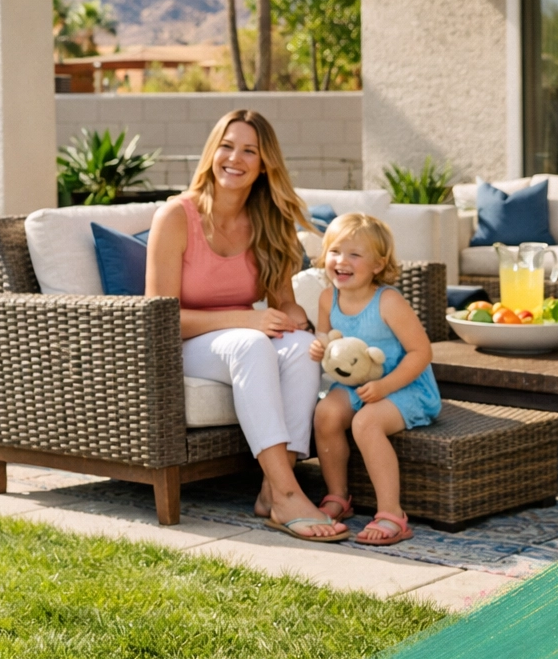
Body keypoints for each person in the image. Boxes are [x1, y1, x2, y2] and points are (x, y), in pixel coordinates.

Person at [146, 109, 348, 542]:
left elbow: (284, 306)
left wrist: (314, 327)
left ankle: (271, 490)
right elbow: (159, 317)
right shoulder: (176, 217)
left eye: (249, 150)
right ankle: (289, 494)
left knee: (296, 347)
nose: (234, 158)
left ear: (264, 164)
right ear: (212, 152)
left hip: (239, 338)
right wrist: (247, 318)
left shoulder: (268, 220)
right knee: (251, 344)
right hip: (184, 343)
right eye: (226, 145)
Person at [309, 213, 440, 546]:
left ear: (378, 265)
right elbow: (329, 341)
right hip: (356, 386)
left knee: (365, 423)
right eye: (336, 251)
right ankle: (338, 497)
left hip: (405, 387)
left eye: (355, 254)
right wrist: (318, 346)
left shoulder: (388, 301)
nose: (342, 261)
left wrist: (385, 387)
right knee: (325, 414)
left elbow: (421, 353)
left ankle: (392, 514)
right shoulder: (328, 299)